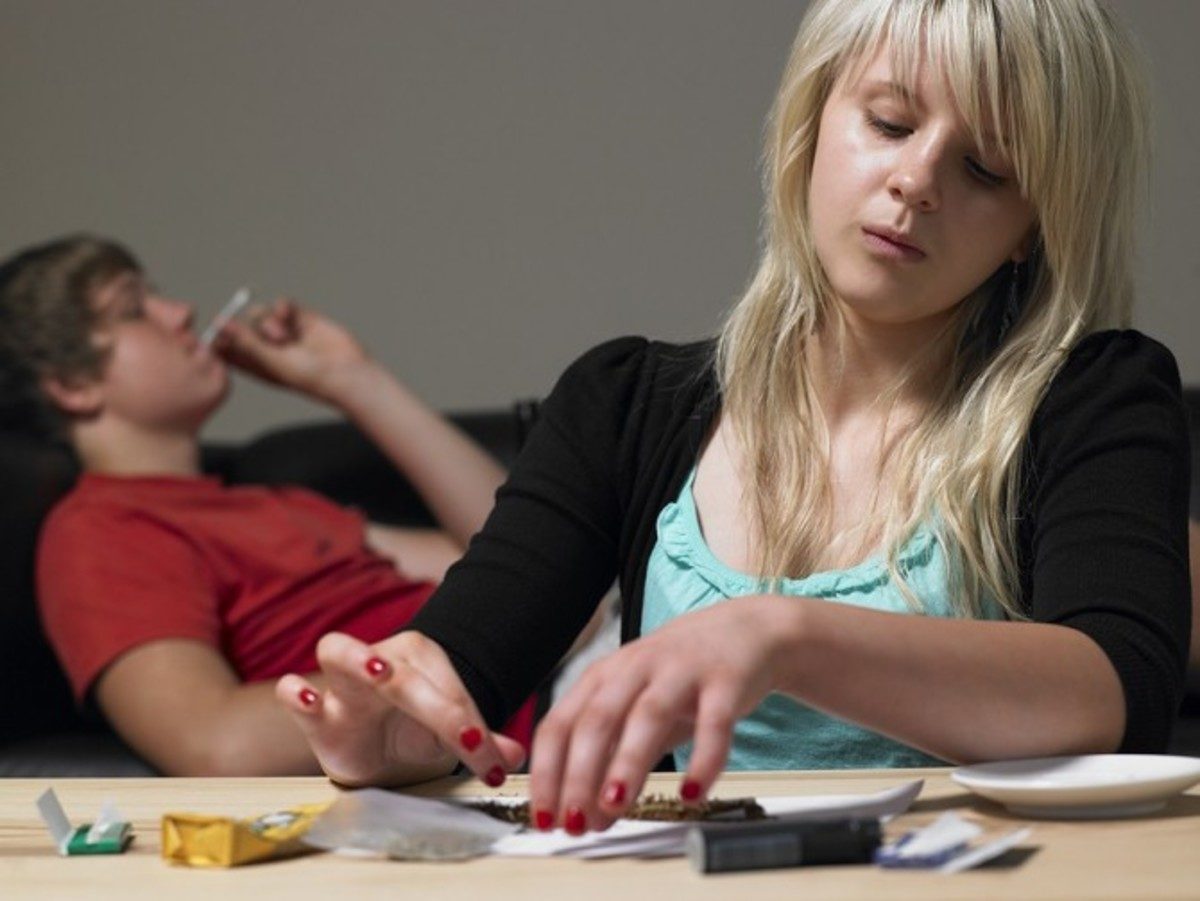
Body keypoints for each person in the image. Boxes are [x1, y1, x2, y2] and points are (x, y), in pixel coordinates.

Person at [280, 0, 1191, 834]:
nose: (916, 180)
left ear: (1034, 223)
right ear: (813, 118)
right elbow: (458, 671)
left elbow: (1116, 692)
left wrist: (782, 636)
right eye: (889, 122)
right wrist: (403, 734)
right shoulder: (623, 405)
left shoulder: (1097, 396)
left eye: (986, 168)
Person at [0, 234, 548, 777]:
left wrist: (352, 377)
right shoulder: (103, 530)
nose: (180, 311)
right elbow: (214, 743)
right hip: (533, 724)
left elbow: (526, 567)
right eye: (134, 310)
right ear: (73, 385)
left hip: (564, 672)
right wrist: (433, 673)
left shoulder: (276, 504)